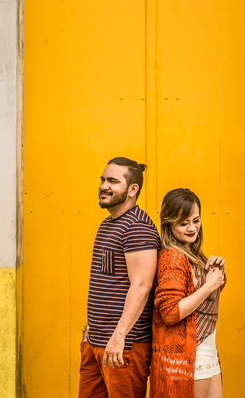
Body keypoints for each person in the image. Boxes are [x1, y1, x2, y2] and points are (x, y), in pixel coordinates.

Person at [80, 157, 161, 398]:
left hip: (122, 347)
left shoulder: (138, 227)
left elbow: (142, 287)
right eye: (103, 179)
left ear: (132, 190)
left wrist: (119, 336)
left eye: (113, 181)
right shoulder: (108, 224)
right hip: (97, 341)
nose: (103, 186)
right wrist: (92, 329)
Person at [150, 188, 227, 398]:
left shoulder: (192, 253)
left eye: (196, 220)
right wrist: (208, 286)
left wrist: (215, 274)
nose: (192, 228)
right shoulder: (172, 257)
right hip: (189, 354)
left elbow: (201, 301)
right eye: (183, 223)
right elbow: (170, 313)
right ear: (169, 224)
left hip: (206, 348)